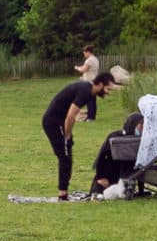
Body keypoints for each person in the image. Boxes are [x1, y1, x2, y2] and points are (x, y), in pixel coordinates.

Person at [42, 69, 120, 198]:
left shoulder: (88, 90)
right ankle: (62, 194)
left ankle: (63, 191)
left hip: (60, 122)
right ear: (100, 84)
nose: (108, 93)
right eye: (108, 89)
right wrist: (67, 135)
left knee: (67, 154)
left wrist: (68, 136)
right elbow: (71, 116)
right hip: (53, 123)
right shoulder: (85, 91)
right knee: (65, 157)